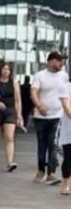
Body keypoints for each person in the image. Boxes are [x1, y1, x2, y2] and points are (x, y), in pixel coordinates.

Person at [30, 51, 69, 185]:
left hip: (57, 116)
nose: (62, 63)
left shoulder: (64, 76)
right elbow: (33, 92)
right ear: (51, 61)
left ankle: (51, 173)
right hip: (40, 117)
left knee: (53, 144)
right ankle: (41, 170)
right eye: (59, 61)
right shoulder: (40, 76)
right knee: (42, 145)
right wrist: (39, 106)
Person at [0, 62, 22, 172]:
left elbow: (18, 100)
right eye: (4, 69)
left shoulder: (14, 83)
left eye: (8, 69)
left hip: (10, 111)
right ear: (0, 70)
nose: (6, 71)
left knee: (9, 137)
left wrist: (19, 115)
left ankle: (10, 162)